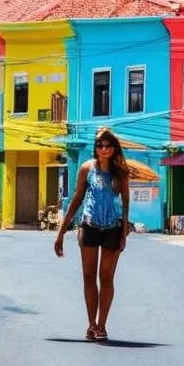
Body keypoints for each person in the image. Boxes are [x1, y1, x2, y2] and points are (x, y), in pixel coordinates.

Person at [54, 127, 130, 341]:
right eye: (99, 145)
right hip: (89, 225)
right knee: (88, 276)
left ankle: (102, 325)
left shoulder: (121, 172)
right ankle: (91, 324)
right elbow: (77, 199)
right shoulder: (87, 168)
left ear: (114, 148)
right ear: (96, 148)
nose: (103, 149)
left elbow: (125, 201)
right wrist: (61, 232)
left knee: (106, 277)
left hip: (112, 228)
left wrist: (124, 230)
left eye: (107, 145)